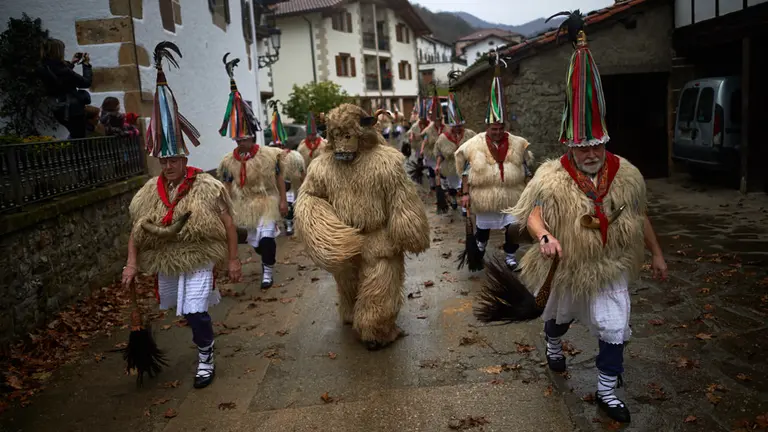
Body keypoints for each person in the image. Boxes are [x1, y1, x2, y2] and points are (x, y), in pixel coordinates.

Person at [506, 12, 668, 423]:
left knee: (615, 328)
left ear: (605, 141)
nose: (592, 153)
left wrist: (657, 254)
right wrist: (544, 237)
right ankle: (555, 345)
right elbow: (535, 217)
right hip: (569, 267)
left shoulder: (626, 174)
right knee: (558, 320)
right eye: (583, 147)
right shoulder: (551, 176)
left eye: (597, 145)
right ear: (570, 145)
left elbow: (641, 216)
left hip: (610, 267)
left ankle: (607, 390)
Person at [121, 42, 241, 390]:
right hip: (168, 261)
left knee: (193, 311)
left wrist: (232, 261)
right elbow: (136, 231)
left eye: (174, 160)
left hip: (200, 256)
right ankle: (204, 345)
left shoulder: (206, 186)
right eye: (164, 160)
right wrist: (131, 264)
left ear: (185, 159)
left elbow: (229, 224)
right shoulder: (148, 192)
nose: (168, 166)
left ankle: (206, 355)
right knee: (180, 310)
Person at [294, 104, 430, 350]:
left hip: (378, 238)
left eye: (347, 136)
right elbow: (309, 196)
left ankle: (375, 329)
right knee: (349, 285)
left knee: (379, 288)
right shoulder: (321, 167)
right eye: (336, 136)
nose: (342, 144)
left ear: (360, 134)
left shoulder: (386, 162)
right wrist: (322, 230)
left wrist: (408, 230)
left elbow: (402, 198)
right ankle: (351, 313)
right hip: (344, 239)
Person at [454, 52, 533, 270]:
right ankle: (479, 247)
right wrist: (465, 194)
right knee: (483, 228)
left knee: (513, 228)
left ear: (504, 127)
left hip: (511, 197)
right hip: (485, 197)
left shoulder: (518, 144)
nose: (497, 132)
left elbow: (526, 169)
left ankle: (509, 256)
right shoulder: (475, 144)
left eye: (500, 128)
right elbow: (465, 172)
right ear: (487, 127)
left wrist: (530, 190)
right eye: (493, 129)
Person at [217, 55, 288, 285]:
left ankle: (267, 272)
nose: (241, 144)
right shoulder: (229, 161)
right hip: (244, 204)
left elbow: (278, 175)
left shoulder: (268, 155)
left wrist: (283, 200)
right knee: (256, 242)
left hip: (267, 200)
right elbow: (227, 185)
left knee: (267, 239)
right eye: (237, 141)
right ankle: (264, 256)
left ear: (252, 137)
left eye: (244, 140)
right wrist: (223, 206)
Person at [39, 38, 92, 139]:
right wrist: (86, 65)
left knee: (75, 136)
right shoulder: (63, 70)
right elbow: (86, 82)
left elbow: (59, 78)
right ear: (58, 52)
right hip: (73, 110)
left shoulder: (44, 68)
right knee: (80, 139)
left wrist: (71, 63)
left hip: (58, 108)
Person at [265, 102, 302, 236]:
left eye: (280, 145)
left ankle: (289, 223)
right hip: (272, 187)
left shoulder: (293, 156)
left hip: (288, 185)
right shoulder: (268, 158)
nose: (278, 148)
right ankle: (273, 225)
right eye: (275, 145)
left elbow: (299, 172)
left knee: (289, 203)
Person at [435, 92, 475, 213]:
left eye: (460, 126)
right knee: (454, 187)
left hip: (467, 167)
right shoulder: (443, 138)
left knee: (464, 186)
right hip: (451, 168)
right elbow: (440, 154)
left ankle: (465, 208)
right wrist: (437, 165)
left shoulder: (470, 134)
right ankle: (452, 198)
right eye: (455, 126)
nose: (458, 128)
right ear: (451, 125)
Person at [419, 96, 446, 192]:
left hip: (443, 153)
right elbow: (425, 139)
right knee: (432, 170)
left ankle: (443, 188)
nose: (438, 122)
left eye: (440, 120)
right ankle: (433, 187)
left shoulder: (446, 128)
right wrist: (422, 150)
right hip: (431, 153)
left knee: (443, 171)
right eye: (436, 120)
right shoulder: (429, 129)